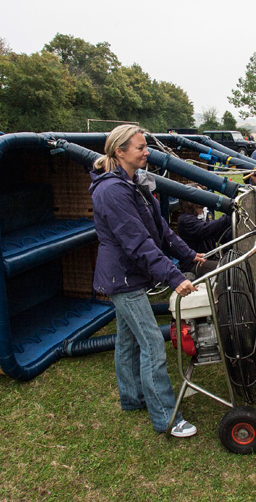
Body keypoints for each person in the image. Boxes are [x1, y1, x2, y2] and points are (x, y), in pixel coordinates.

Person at [89, 124, 207, 438]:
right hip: (122, 278)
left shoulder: (136, 183)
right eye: (140, 147)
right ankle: (166, 418)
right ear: (120, 151)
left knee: (127, 343)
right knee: (153, 344)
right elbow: (138, 243)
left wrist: (190, 255)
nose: (146, 152)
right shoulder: (112, 191)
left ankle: (133, 398)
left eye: (145, 146)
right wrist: (175, 278)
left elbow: (162, 231)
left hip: (131, 274)